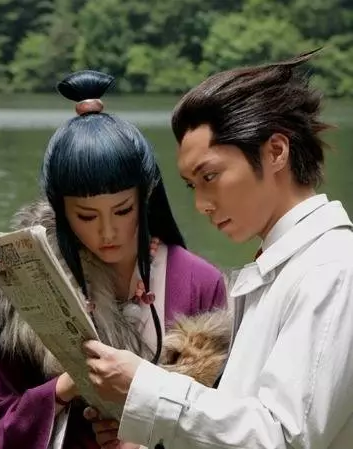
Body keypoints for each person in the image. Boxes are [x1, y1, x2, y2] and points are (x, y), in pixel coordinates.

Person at [82, 49, 353, 449]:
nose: (201, 204)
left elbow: (284, 437)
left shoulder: (331, 269)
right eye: (192, 185)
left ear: (276, 152)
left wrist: (146, 389)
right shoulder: (284, 267)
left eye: (210, 176)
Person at [0, 69, 228, 449]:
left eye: (122, 210)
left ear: (145, 198)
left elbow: (231, 421)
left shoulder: (198, 281)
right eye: (86, 216)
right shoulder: (38, 286)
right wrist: (65, 386)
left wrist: (146, 439)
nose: (107, 232)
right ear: (62, 211)